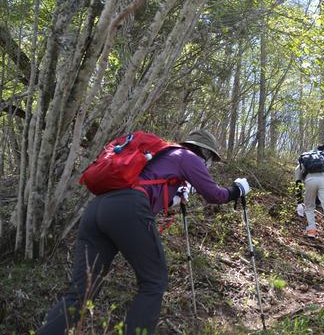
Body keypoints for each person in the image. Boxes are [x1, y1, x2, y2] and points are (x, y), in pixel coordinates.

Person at [38, 129, 250, 335]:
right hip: (128, 209)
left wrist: (174, 196)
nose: (209, 164)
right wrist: (237, 189)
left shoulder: (161, 156)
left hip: (97, 210)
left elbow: (148, 187)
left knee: (81, 292)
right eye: (211, 158)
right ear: (204, 152)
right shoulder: (187, 156)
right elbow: (215, 195)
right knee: (153, 282)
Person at [295, 145, 324, 247]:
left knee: (309, 207)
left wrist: (299, 202)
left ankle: (311, 231)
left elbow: (298, 183)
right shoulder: (322, 158)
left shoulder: (301, 163)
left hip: (310, 180)